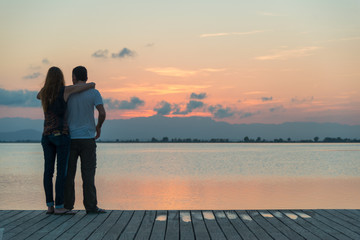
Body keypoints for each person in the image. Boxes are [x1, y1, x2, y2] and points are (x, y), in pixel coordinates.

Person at [37, 66, 95, 215]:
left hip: (46, 136)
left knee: (48, 172)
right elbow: (87, 86)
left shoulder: (44, 93)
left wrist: (47, 88)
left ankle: (50, 206)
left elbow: (38, 95)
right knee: (61, 172)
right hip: (61, 135)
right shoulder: (65, 90)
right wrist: (92, 84)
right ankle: (60, 206)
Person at [64, 66, 106, 214]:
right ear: (86, 77)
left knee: (69, 174)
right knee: (88, 174)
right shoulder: (94, 92)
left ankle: (67, 207)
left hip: (70, 139)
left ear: (74, 77)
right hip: (88, 138)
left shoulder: (67, 92)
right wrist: (98, 126)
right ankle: (91, 206)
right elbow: (102, 112)